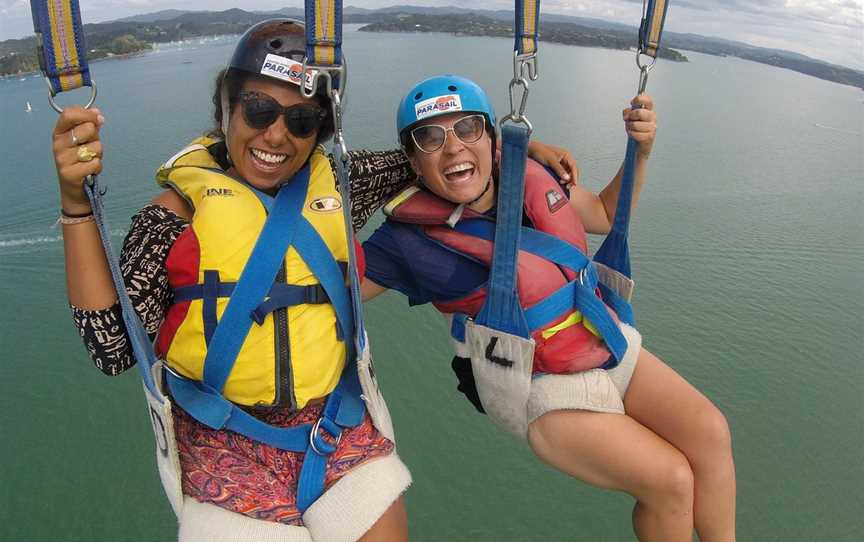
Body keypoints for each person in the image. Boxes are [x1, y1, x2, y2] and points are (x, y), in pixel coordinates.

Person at [51, 20, 576, 541]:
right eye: (258, 110)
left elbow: (437, 158)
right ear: (226, 107)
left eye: (302, 120)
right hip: (220, 443)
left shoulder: (345, 182)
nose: (276, 134)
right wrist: (76, 207)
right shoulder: (170, 219)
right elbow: (113, 349)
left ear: (320, 132)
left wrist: (522, 150)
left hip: (336, 425)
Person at [361, 75, 737, 542]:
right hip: (537, 387)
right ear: (414, 162)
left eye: (468, 129)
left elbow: (601, 212)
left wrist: (639, 152)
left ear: (492, 137)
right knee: (672, 481)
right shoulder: (404, 242)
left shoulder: (531, 177)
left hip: (598, 336)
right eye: (431, 138)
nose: (453, 147)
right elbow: (335, 291)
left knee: (710, 432)